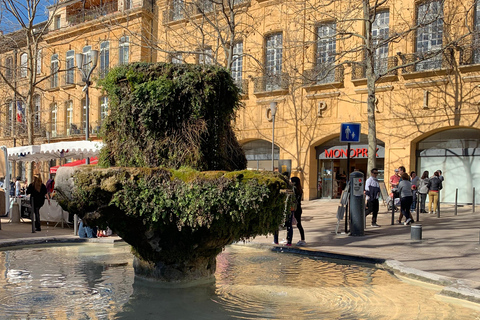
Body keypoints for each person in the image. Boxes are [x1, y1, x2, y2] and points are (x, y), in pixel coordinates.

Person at [290, 176, 306, 246]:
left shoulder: (294, 189)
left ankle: (289, 239)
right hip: (298, 208)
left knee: (290, 224)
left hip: (295, 208)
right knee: (299, 224)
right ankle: (302, 239)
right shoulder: (300, 189)